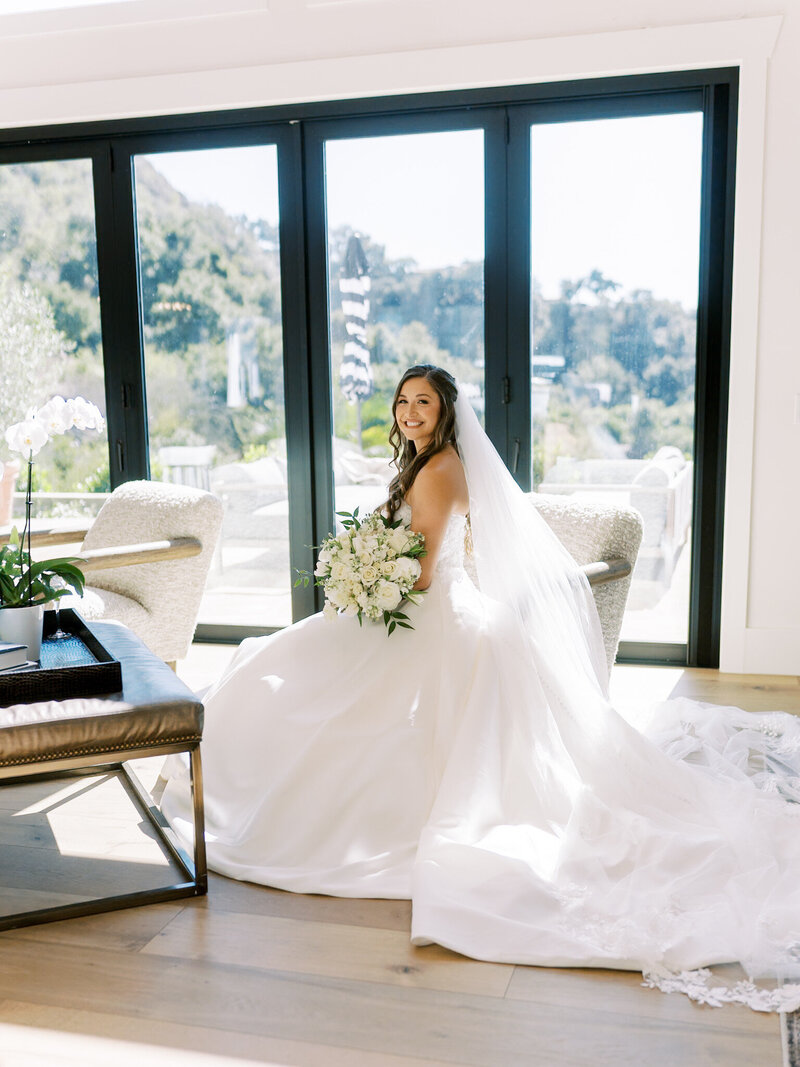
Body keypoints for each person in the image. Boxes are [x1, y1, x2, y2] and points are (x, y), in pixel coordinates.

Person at [162, 365, 800, 1012]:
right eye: (404, 401)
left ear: (445, 411)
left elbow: (419, 574)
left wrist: (359, 584)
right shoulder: (423, 462)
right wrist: (359, 573)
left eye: (424, 402)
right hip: (421, 606)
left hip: (431, 613)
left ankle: (248, 789)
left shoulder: (438, 472)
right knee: (275, 662)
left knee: (280, 666)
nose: (411, 411)